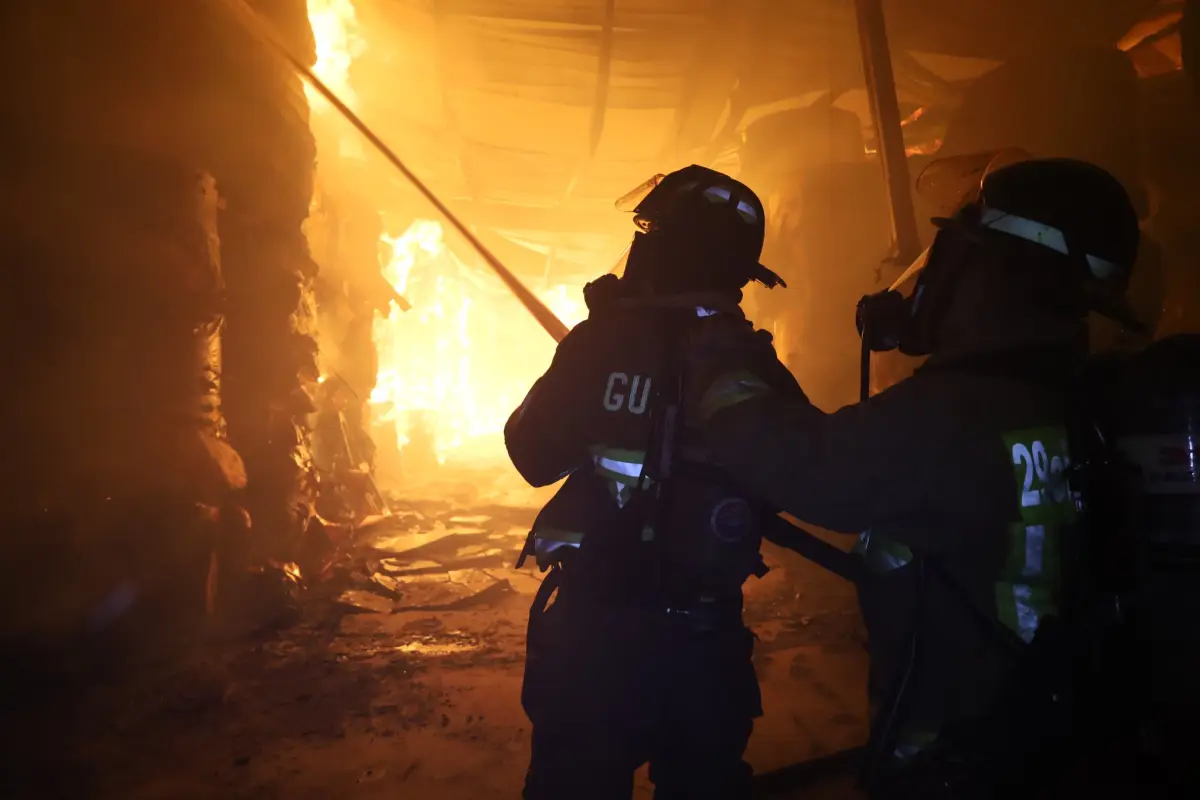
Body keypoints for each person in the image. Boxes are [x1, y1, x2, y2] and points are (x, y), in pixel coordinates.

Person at [686, 158, 1143, 797]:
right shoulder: (1069, 400)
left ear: (996, 275)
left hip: (954, 764)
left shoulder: (955, 416)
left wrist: (715, 349)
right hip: (1048, 739)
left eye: (955, 255)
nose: (934, 275)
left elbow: (800, 462)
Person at [505, 165, 796, 800]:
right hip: (705, 641)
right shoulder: (752, 364)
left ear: (664, 248)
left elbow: (530, 453)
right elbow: (799, 475)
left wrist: (592, 353)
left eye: (649, 231)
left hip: (595, 638)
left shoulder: (600, 344)